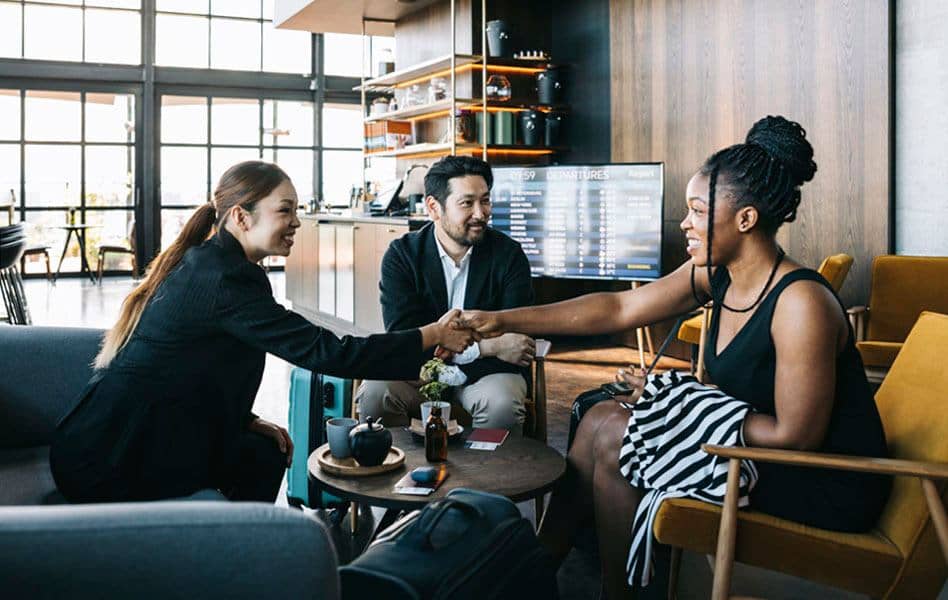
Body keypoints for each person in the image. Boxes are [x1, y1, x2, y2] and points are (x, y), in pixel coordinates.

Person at [460, 116, 891, 598]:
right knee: (600, 418)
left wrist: (681, 402)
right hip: (754, 453)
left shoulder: (800, 303)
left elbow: (797, 437)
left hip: (823, 481)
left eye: (697, 211)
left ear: (745, 219)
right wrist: (505, 319)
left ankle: (611, 589)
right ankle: (541, 570)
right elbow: (621, 306)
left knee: (622, 432)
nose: (684, 222)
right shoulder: (719, 275)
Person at [49, 161, 477, 504]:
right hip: (113, 456)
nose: (297, 222)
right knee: (261, 458)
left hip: (117, 438)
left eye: (297, 209)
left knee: (264, 451)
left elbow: (186, 365)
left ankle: (235, 553)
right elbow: (327, 351)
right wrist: (428, 334)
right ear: (241, 215)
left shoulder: (214, 264)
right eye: (285, 210)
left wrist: (247, 421)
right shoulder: (224, 279)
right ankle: (241, 556)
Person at [356, 156, 536, 432]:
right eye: (467, 203)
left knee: (501, 402)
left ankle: (487, 476)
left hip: (485, 377)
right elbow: (406, 337)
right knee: (375, 394)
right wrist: (488, 347)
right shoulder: (401, 256)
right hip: (419, 376)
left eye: (485, 200)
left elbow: (515, 340)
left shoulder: (509, 255)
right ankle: (399, 472)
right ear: (434, 208)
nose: (481, 213)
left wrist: (444, 352)